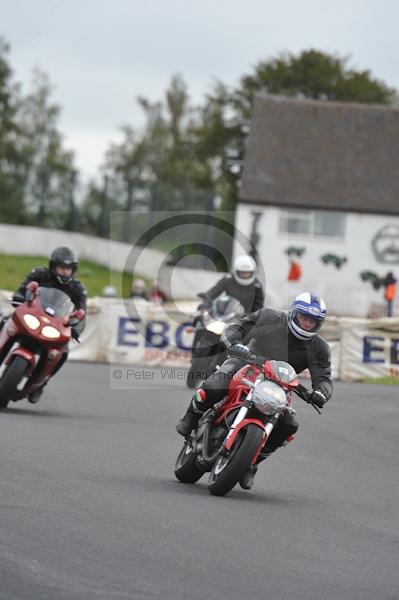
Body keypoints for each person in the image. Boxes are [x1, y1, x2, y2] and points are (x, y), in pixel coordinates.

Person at [177, 291, 332, 490]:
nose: (307, 324)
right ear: (294, 313)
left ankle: (252, 461)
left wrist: (321, 392)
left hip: (281, 386)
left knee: (289, 424)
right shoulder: (270, 318)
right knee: (216, 384)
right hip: (247, 364)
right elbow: (236, 328)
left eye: (313, 321)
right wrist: (235, 343)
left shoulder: (319, 348)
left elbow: (324, 378)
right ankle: (191, 417)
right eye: (304, 318)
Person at [11, 246, 87, 403]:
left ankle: (40, 384)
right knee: (5, 321)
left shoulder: (78, 288)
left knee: (62, 352)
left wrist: (76, 329)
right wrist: (18, 297)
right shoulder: (40, 274)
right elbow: (22, 289)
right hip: (32, 316)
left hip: (55, 326)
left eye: (69, 268)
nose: (65, 272)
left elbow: (81, 313)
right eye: (62, 268)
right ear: (53, 266)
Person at [197, 255, 264, 314]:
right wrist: (206, 301)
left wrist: (253, 316)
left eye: (248, 273)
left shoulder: (257, 286)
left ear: (253, 272)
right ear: (236, 271)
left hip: (247, 320)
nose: (245, 275)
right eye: (242, 273)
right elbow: (214, 291)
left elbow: (259, 304)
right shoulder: (228, 279)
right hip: (227, 316)